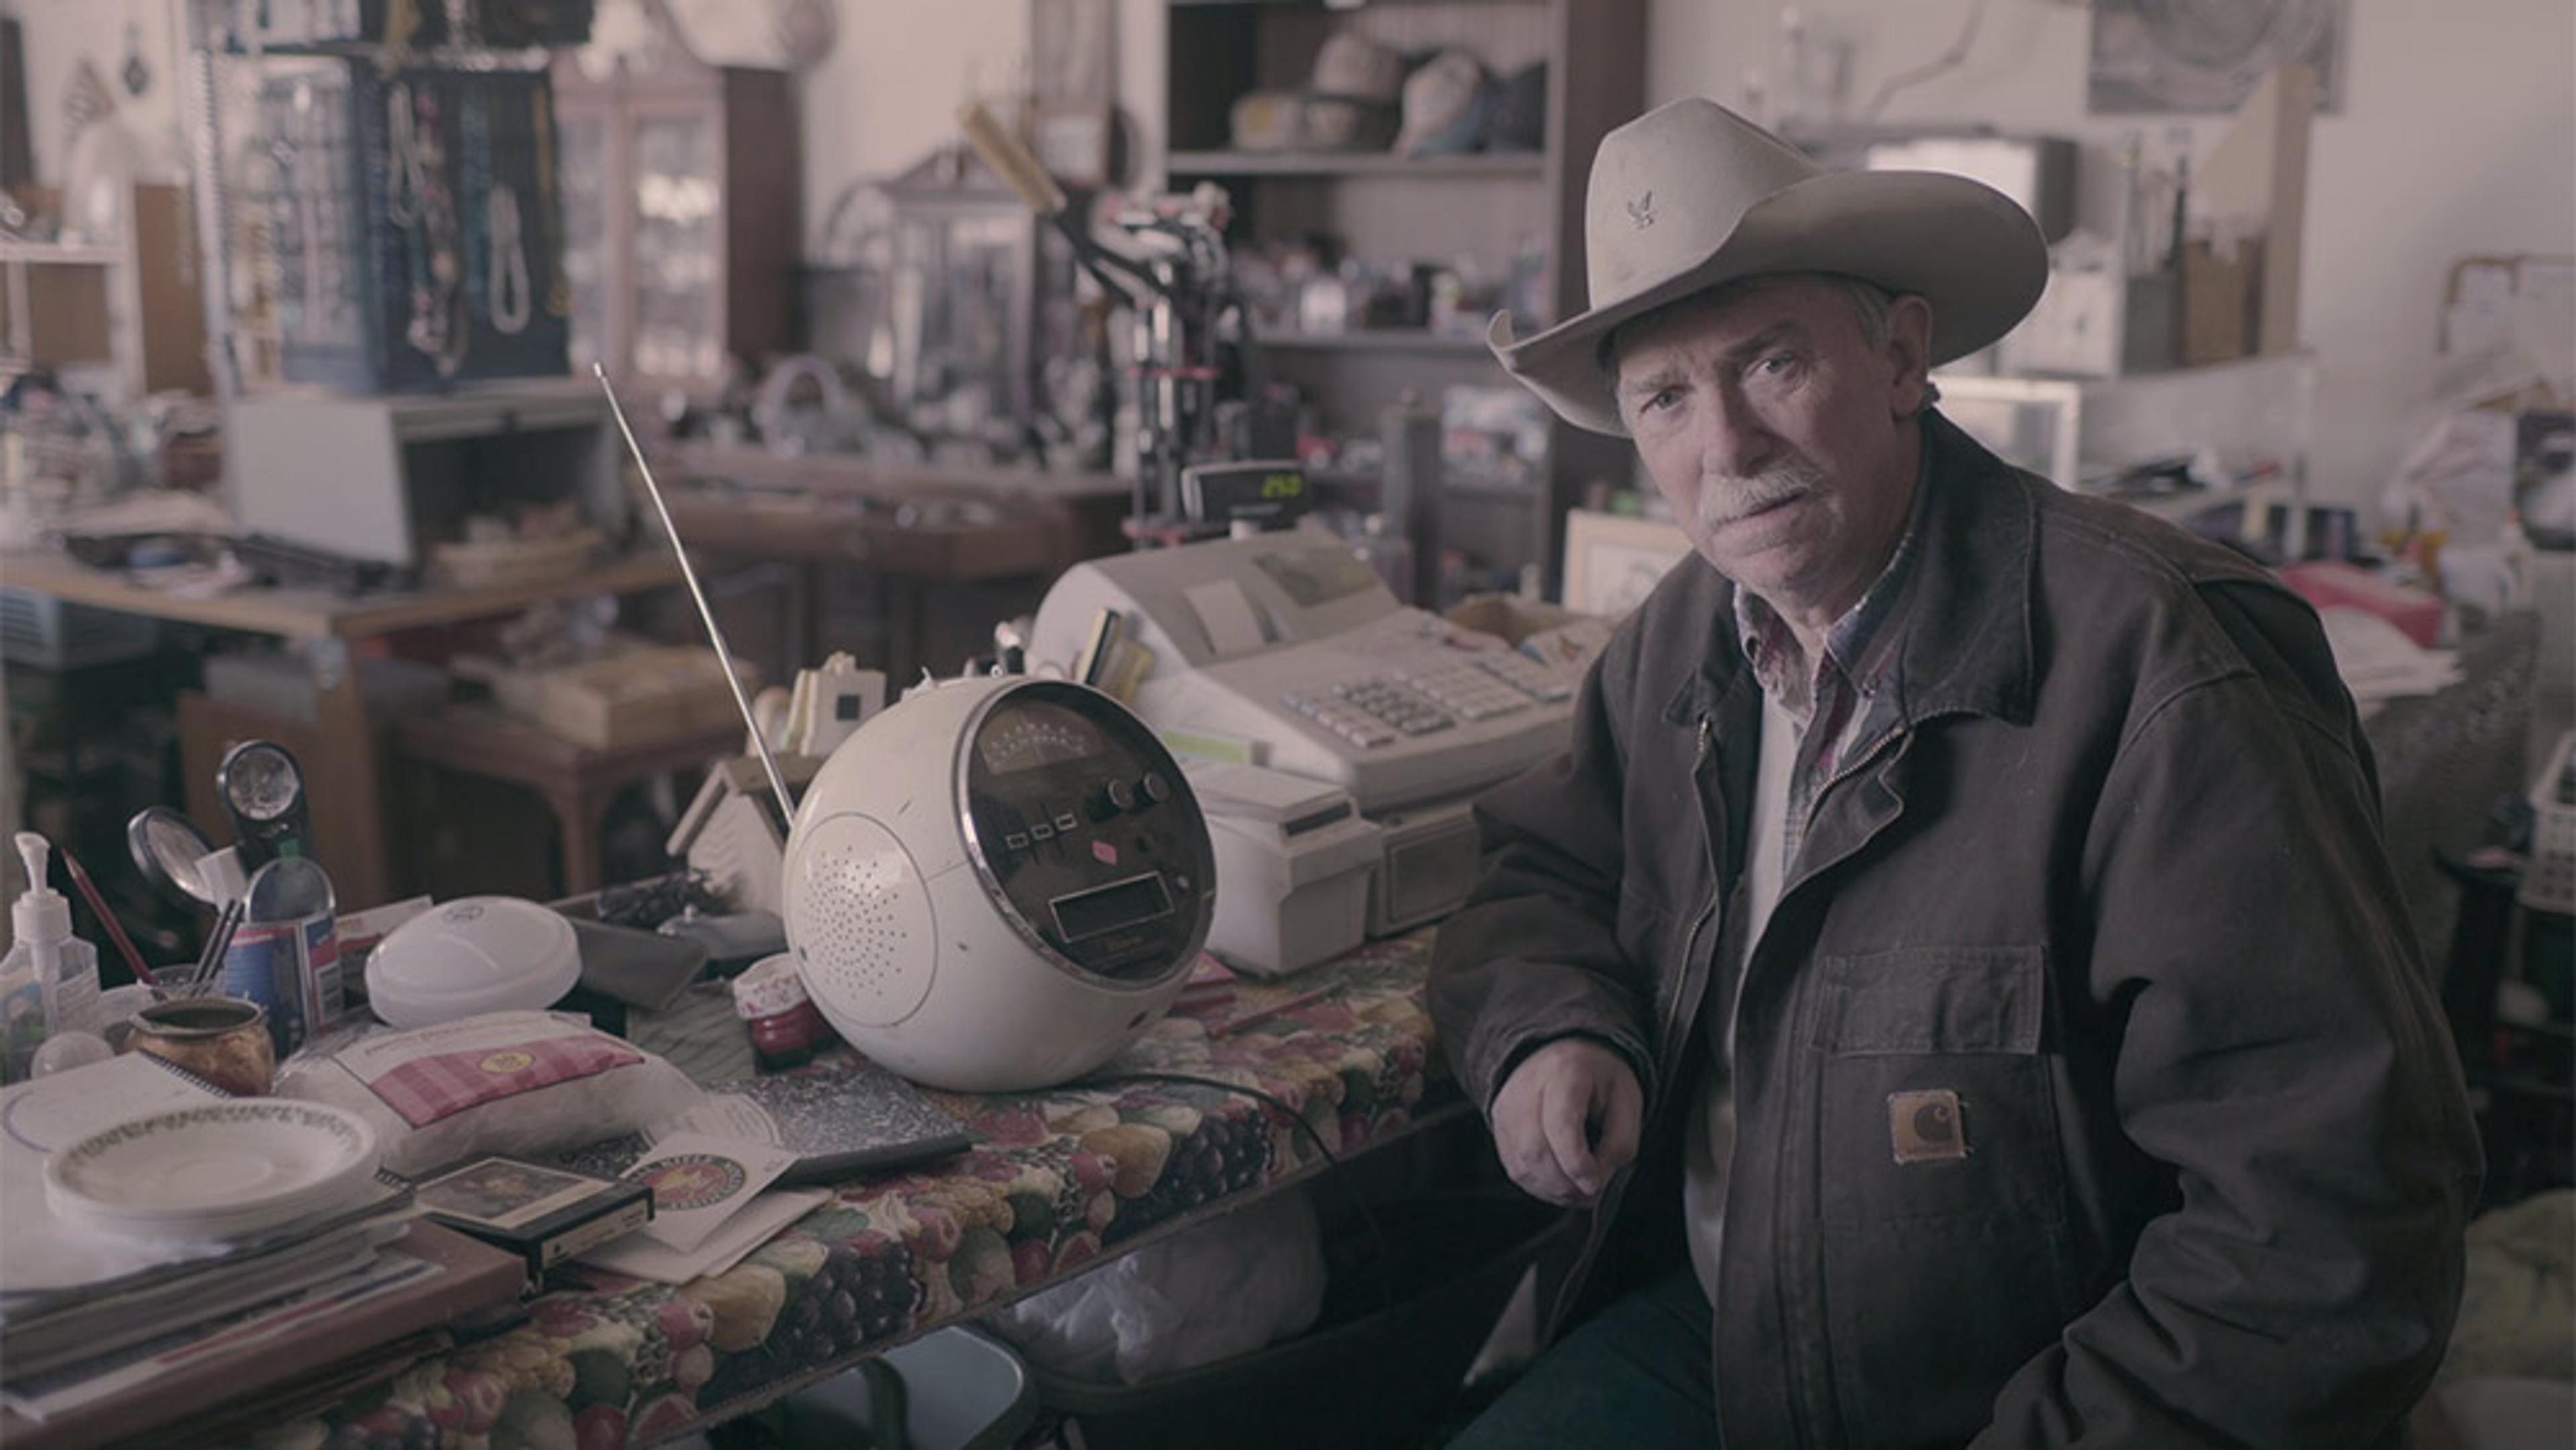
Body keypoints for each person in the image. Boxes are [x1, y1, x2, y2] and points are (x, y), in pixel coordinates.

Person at [1430, 97, 2481, 1449]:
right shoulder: (1688, 636)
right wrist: (1550, 1025)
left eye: (1770, 363)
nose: (1727, 448)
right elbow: (1542, 865)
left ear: (1902, 357)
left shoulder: (2167, 667)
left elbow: (2328, 1228)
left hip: (2029, 1398)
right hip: (1717, 1331)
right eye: (1667, 396)